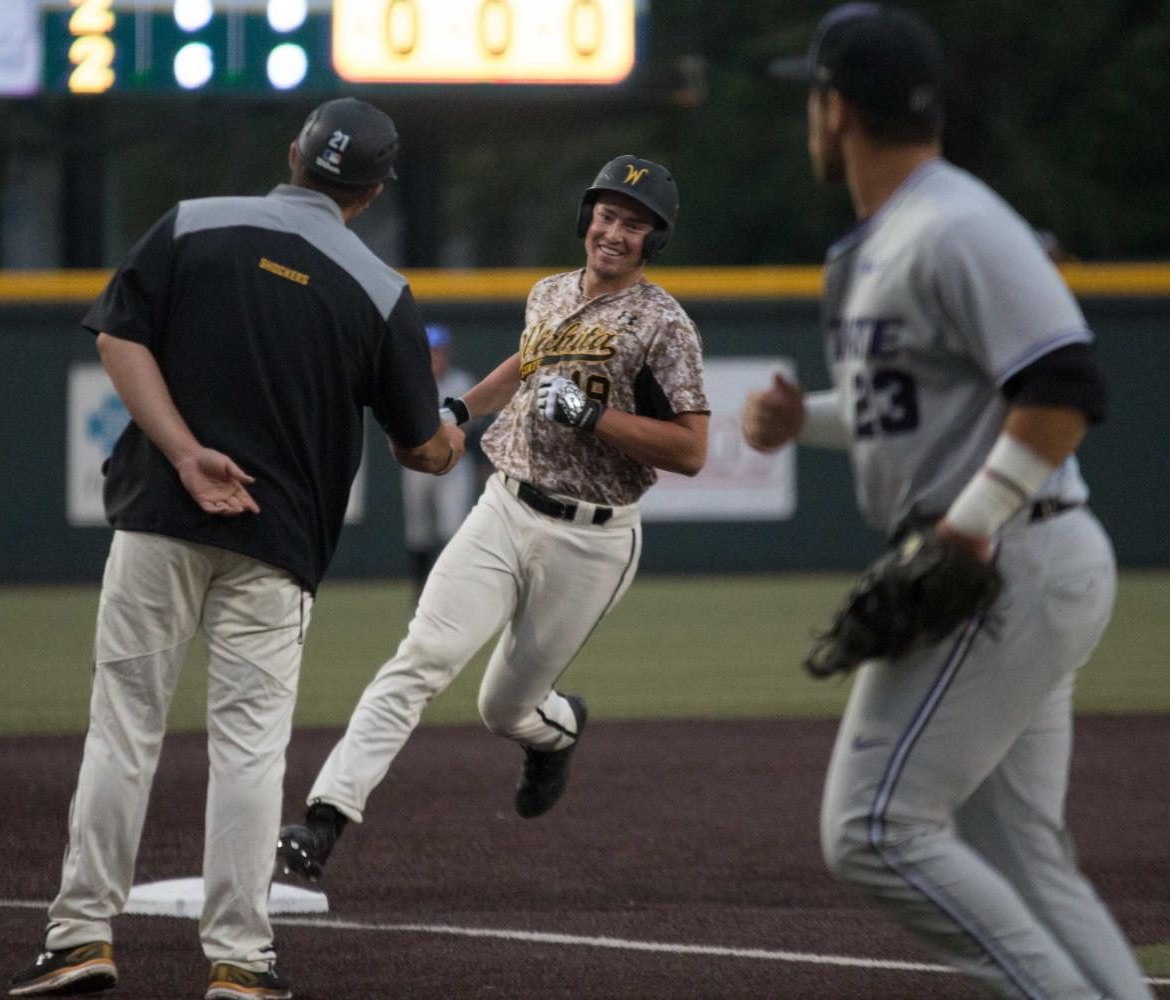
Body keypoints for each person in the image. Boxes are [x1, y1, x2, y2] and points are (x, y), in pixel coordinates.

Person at [7, 98, 464, 1000]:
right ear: (372, 191)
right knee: (249, 751)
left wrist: (182, 453)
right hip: (275, 539)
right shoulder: (379, 290)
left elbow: (119, 336)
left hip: (159, 515)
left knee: (122, 730)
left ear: (293, 154)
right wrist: (454, 424)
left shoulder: (192, 225)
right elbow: (422, 450)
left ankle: (79, 938)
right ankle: (239, 962)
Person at [746, 6, 1153, 998]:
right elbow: (927, 409)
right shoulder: (885, 241)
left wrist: (967, 527)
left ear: (835, 108)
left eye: (811, 94)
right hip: (1017, 557)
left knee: (873, 827)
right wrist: (810, 421)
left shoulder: (955, 223)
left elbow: (1064, 388)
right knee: (1022, 859)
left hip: (1003, 558)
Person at [277, 154, 709, 881]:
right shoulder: (547, 292)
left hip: (592, 539)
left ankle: (555, 732)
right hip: (504, 508)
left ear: (653, 241)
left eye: (633, 226)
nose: (613, 233)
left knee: (503, 710)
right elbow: (529, 361)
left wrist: (593, 416)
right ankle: (324, 819)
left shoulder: (664, 325)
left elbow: (693, 451)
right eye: (606, 215)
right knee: (420, 660)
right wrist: (459, 407)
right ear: (587, 218)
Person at [401, 323, 478, 595]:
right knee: (418, 529)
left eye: (440, 351)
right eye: (431, 351)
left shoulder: (461, 382)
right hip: (418, 463)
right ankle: (421, 591)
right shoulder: (411, 382)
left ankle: (452, 589)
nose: (436, 356)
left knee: (454, 527)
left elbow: (466, 428)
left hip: (454, 462)